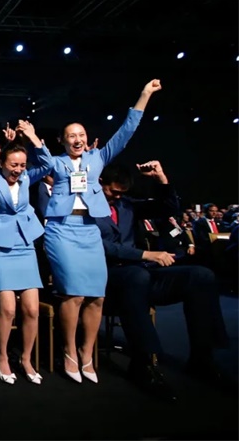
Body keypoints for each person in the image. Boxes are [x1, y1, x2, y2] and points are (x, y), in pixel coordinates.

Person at [39, 79, 162, 384]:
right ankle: (69, 350)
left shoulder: (98, 158)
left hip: (90, 231)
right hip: (61, 231)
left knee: (96, 296)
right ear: (62, 140)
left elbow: (126, 132)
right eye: (71, 135)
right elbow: (29, 166)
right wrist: (30, 139)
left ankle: (86, 352)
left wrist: (144, 95)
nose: (77, 139)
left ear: (87, 139)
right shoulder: (54, 162)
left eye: (81, 135)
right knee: (74, 294)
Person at [95, 162, 229, 400]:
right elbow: (99, 245)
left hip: (140, 274)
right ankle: (143, 363)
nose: (117, 196)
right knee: (136, 277)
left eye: (122, 193)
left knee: (201, 276)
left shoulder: (126, 205)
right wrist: (144, 254)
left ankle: (202, 359)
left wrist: (161, 179)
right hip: (108, 276)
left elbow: (168, 208)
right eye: (113, 191)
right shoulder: (84, 207)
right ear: (100, 183)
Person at [0, 120, 51, 385]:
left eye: (22, 165)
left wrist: (33, 137)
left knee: (31, 309)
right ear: (3, 163)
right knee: (8, 309)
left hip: (25, 244)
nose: (18, 170)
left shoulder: (28, 177)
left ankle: (26, 359)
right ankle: (2, 357)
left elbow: (49, 165)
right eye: (13, 165)